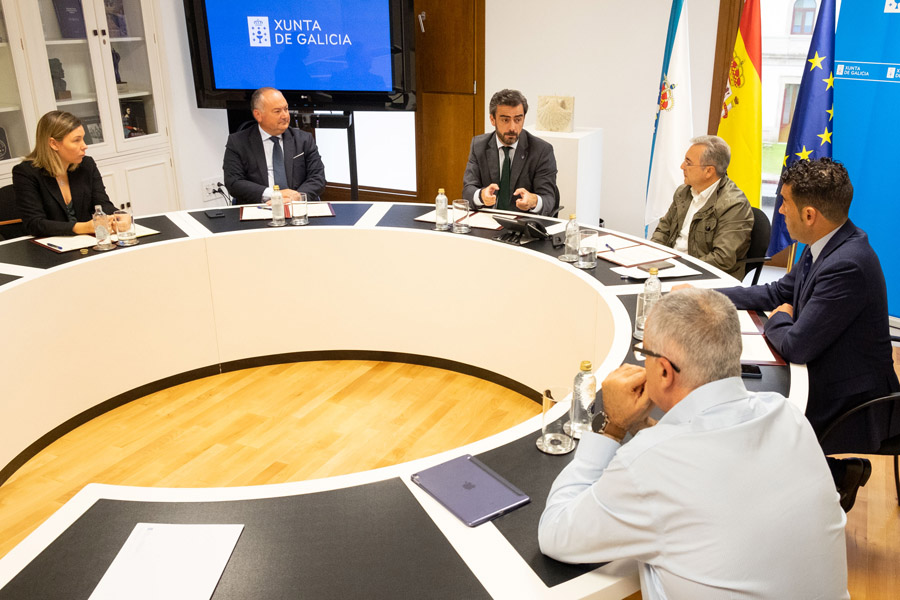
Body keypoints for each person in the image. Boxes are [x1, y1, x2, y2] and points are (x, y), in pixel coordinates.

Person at [538, 288, 848, 599]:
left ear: (664, 371)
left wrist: (613, 427)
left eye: (644, 354)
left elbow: (555, 533)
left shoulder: (650, 466)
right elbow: (704, 452)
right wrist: (640, 426)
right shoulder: (789, 416)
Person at [717, 157, 900, 511]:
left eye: (785, 202)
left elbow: (796, 345)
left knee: (754, 422)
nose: (781, 210)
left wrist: (779, 319)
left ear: (810, 214)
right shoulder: (824, 242)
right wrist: (710, 296)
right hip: (827, 368)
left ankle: (835, 476)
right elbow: (777, 293)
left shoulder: (847, 264)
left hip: (851, 399)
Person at [650, 135, 753, 278]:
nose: (682, 166)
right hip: (671, 267)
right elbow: (663, 231)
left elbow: (722, 259)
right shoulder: (683, 192)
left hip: (705, 275)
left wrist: (677, 268)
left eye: (688, 163)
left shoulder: (734, 204)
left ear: (709, 171)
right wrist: (651, 257)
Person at [13, 111, 116, 237]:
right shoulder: (25, 173)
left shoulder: (87, 165)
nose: (84, 146)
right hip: (51, 244)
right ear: (53, 144)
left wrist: (118, 217)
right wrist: (83, 227)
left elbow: (103, 204)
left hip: (88, 241)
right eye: (76, 140)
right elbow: (34, 224)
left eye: (83, 139)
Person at [462, 89, 558, 216]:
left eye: (518, 120)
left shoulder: (541, 150)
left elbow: (549, 199)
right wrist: (481, 195)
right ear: (492, 119)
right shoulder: (479, 146)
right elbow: (468, 190)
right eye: (505, 120)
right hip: (488, 220)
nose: (512, 127)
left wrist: (534, 201)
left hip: (523, 222)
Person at [223, 87, 326, 205]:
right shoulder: (238, 142)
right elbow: (234, 182)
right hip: (260, 206)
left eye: (286, 109)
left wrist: (296, 197)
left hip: (297, 206)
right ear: (258, 115)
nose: (285, 116)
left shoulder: (303, 140)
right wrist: (274, 194)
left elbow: (318, 178)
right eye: (277, 111)